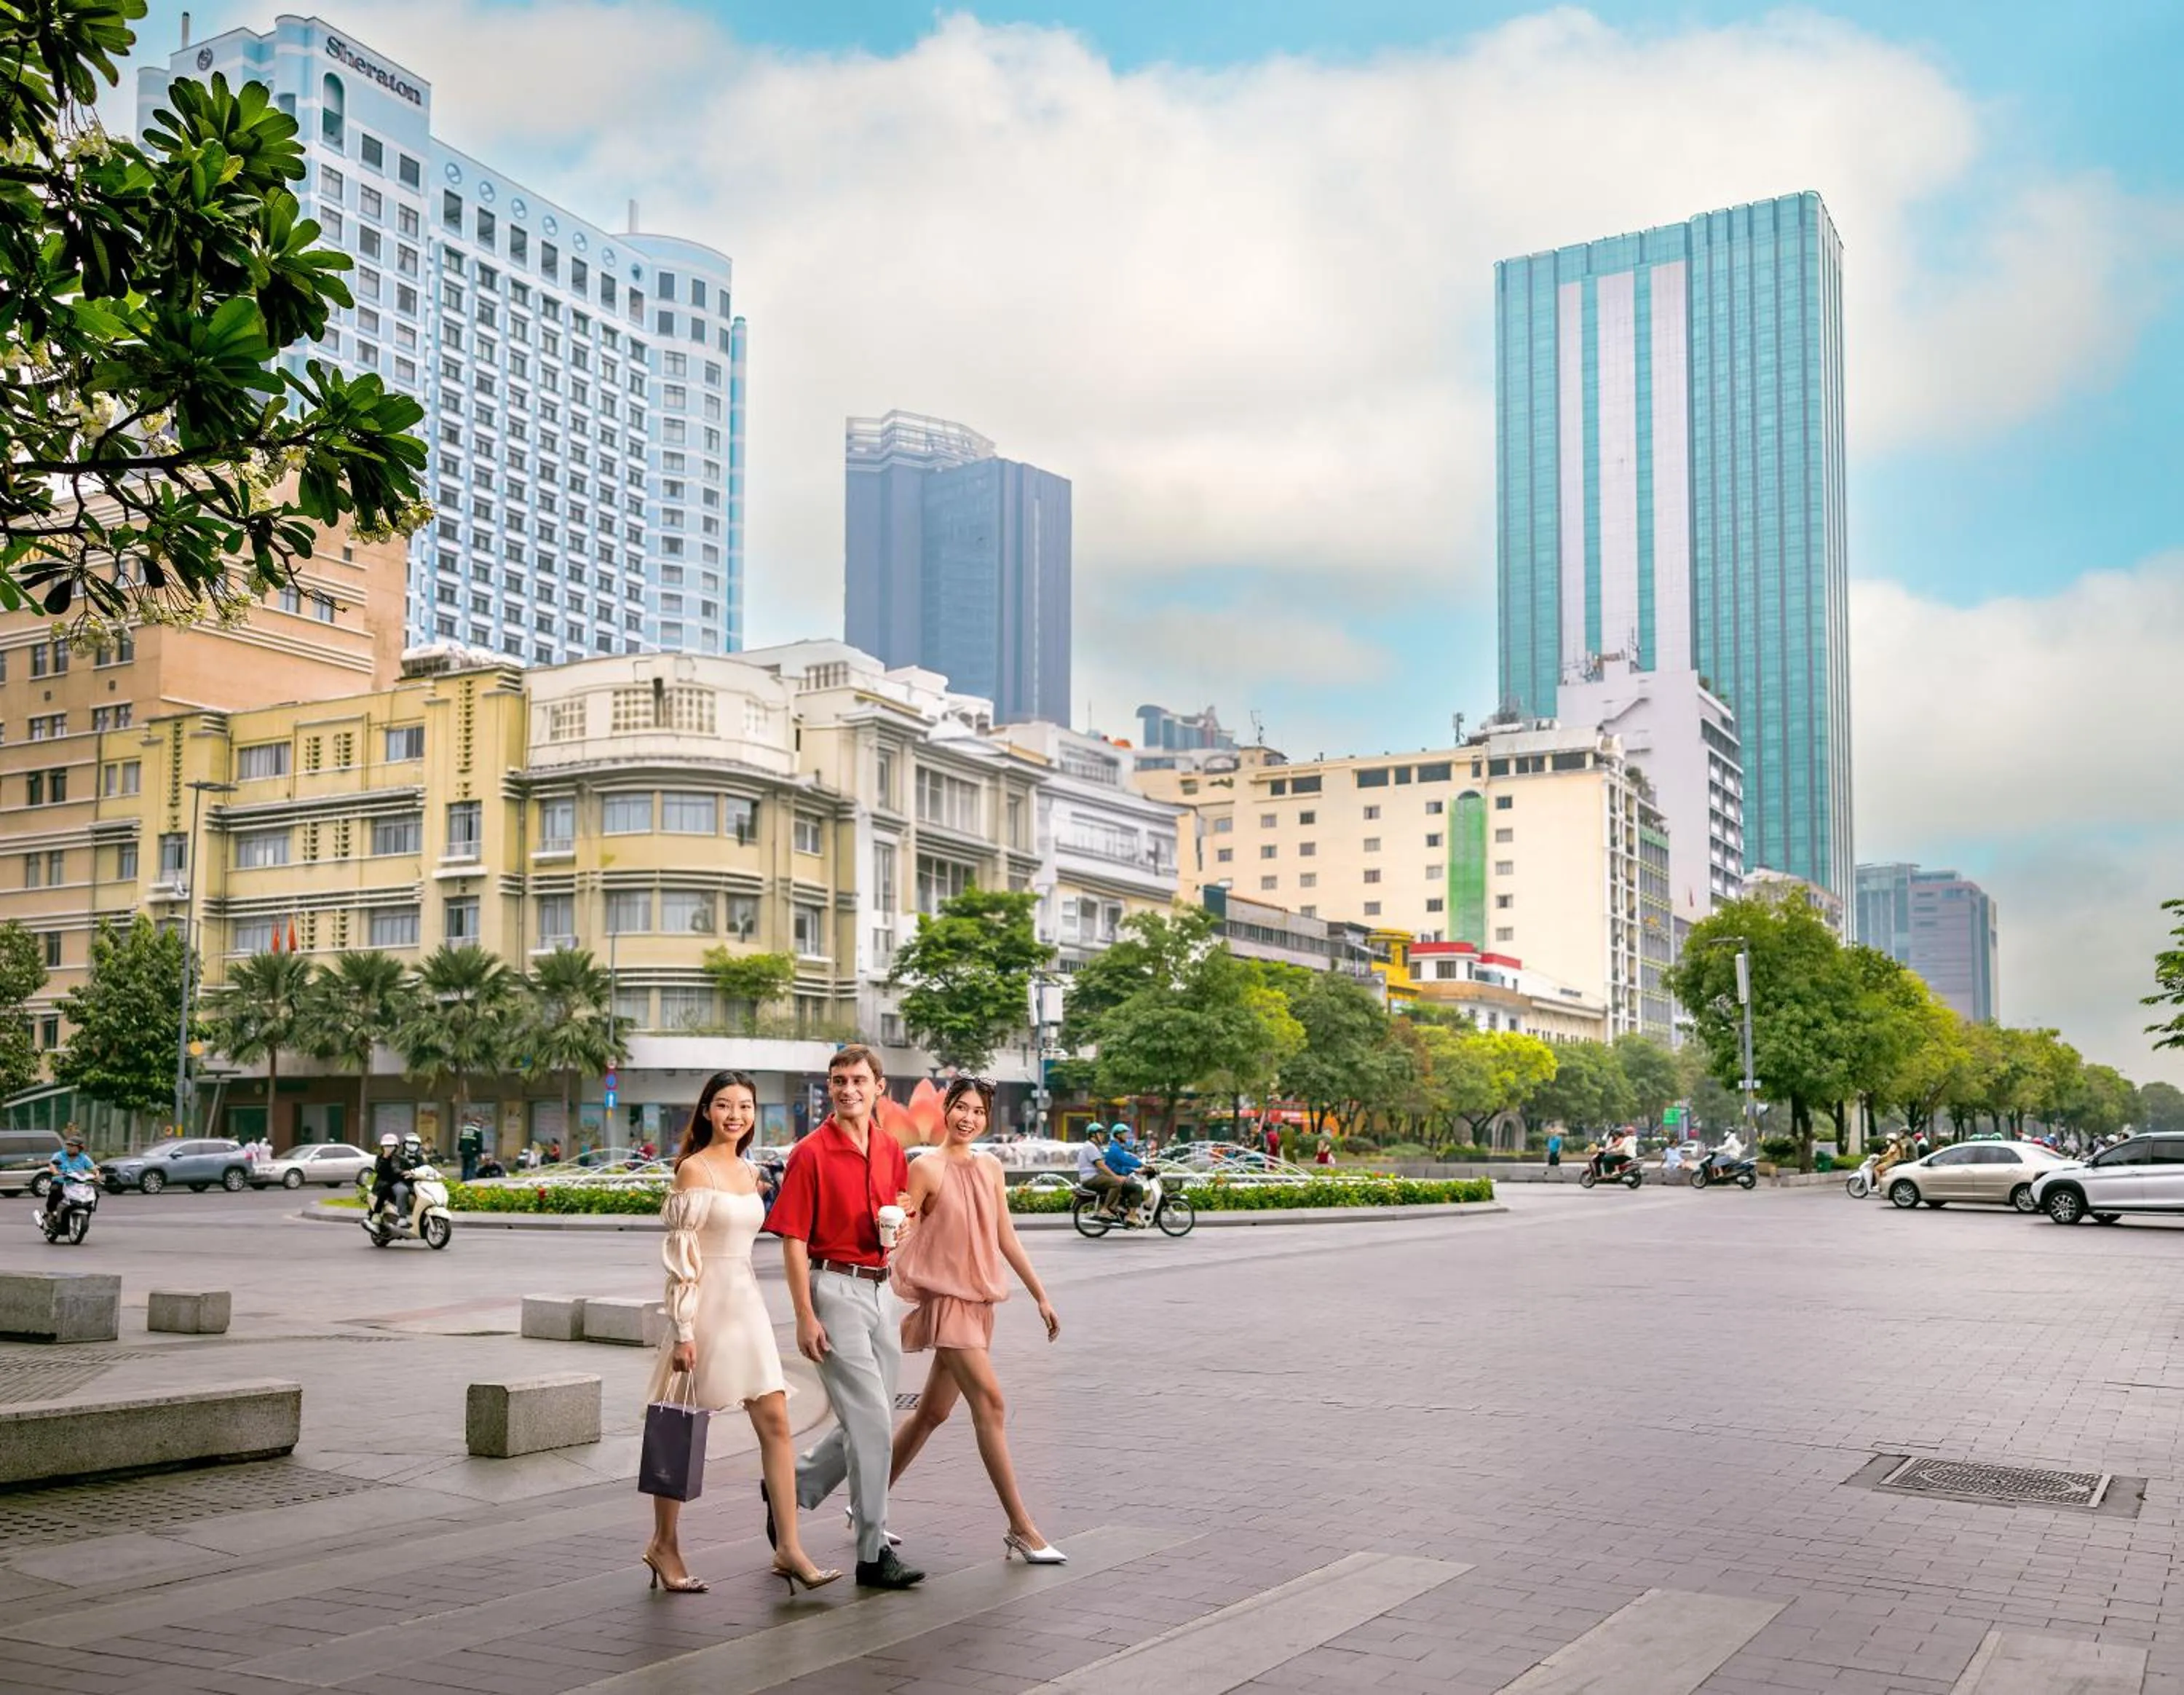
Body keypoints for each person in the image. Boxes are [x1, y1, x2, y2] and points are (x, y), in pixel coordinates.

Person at [642, 1070, 837, 1597]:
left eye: (745, 1106)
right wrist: (683, 1329)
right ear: (707, 1110)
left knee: (776, 1421)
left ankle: (789, 1547)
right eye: (725, 1105)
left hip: (746, 1306)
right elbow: (681, 1259)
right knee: (680, 1426)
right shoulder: (694, 1169)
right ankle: (664, 1543)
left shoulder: (751, 1171)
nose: (736, 1115)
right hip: (703, 1309)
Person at [764, 1045, 923, 1590]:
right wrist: (804, 1315)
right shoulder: (809, 1153)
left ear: (880, 1087)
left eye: (857, 1079)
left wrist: (904, 1225)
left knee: (870, 1416)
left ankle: (792, 1483)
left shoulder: (891, 1149)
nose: (847, 1089)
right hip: (832, 1289)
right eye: (838, 1080)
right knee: (873, 1422)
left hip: (881, 1289)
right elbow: (792, 1240)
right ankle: (873, 1554)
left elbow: (898, 1212)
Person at [886, 1077, 1065, 1562]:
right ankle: (1021, 1528)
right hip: (948, 1303)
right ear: (945, 1109)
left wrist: (1040, 1295)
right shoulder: (925, 1166)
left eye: (979, 1111)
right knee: (991, 1404)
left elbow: (1006, 1236)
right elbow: (906, 1233)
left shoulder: (990, 1166)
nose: (969, 1118)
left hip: (979, 1305)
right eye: (961, 1107)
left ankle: (867, 1504)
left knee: (932, 1414)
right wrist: (897, 1225)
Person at [44, 1131, 97, 1222]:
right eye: (68, 1145)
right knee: (55, 1191)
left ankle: (88, 1211)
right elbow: (52, 1166)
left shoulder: (84, 1158)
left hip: (78, 1183)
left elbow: (93, 1169)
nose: (69, 1147)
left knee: (95, 1193)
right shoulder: (59, 1155)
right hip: (61, 1181)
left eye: (72, 1145)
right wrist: (56, 1172)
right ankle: (50, 1213)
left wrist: (96, 1175)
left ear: (79, 1148)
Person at [1075, 1126, 1124, 1217]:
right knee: (1117, 1183)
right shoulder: (1090, 1147)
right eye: (1100, 1134)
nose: (1103, 1137)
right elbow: (1101, 1166)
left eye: (1103, 1134)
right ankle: (1105, 1209)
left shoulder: (1095, 1147)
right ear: (1093, 1135)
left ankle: (1113, 1208)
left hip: (1093, 1177)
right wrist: (1116, 1177)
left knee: (1117, 1181)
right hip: (1091, 1178)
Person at [1103, 1127, 1149, 1223]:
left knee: (1132, 1185)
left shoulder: (1116, 1147)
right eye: (1125, 1134)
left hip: (1117, 1176)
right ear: (1118, 1135)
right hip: (1116, 1178)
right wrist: (1141, 1165)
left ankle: (1125, 1209)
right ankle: (1131, 1216)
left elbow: (1121, 1166)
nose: (1127, 1136)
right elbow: (1125, 1160)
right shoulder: (1115, 1149)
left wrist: (1134, 1170)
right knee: (1138, 1188)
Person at [369, 1133, 407, 1223]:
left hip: (396, 1182)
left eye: (391, 1146)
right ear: (382, 1147)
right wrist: (385, 1158)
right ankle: (376, 1213)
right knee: (384, 1189)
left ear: (396, 1147)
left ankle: (403, 1215)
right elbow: (379, 1170)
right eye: (386, 1146)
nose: (389, 1148)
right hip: (383, 1182)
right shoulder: (380, 1158)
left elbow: (404, 1168)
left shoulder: (399, 1158)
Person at [457, 1118, 482, 1184]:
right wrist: (480, 1153)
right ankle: (469, 1184)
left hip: (464, 1152)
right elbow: (479, 1143)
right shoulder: (477, 1131)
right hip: (473, 1153)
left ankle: (463, 1183)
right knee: (471, 1169)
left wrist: (460, 1150)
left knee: (465, 1169)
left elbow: (460, 1140)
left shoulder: (464, 1129)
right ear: (479, 1123)